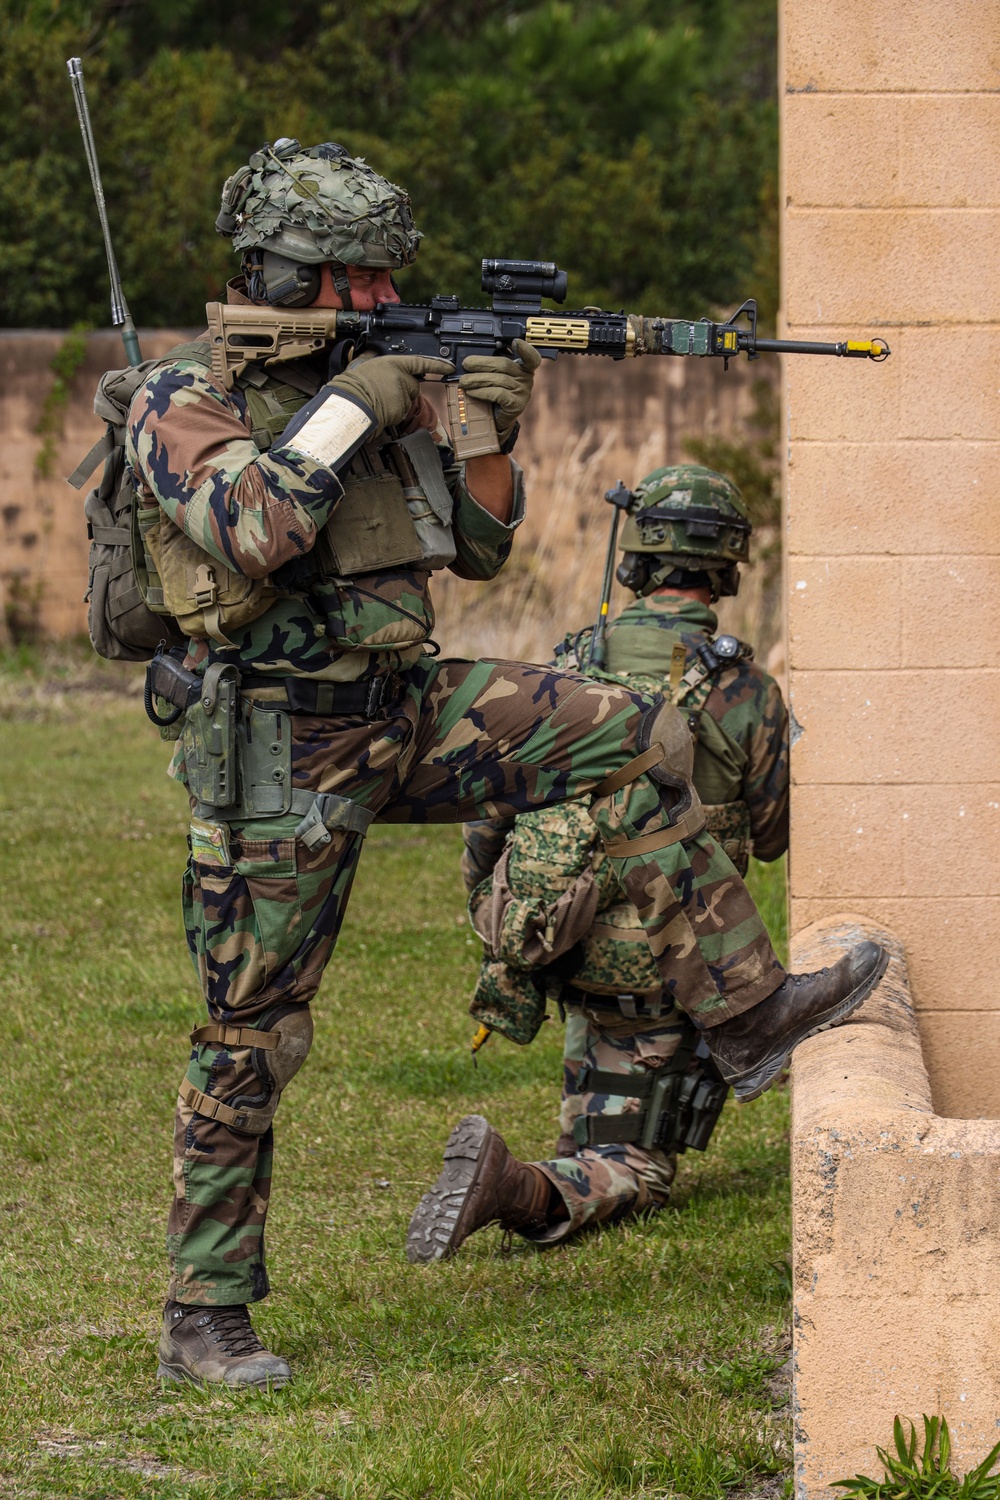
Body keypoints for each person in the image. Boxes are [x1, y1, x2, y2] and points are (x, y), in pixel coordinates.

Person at [125, 139, 886, 1388]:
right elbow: (251, 527)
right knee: (252, 1035)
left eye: (387, 285)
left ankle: (745, 1017)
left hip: (405, 702)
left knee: (637, 732)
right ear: (288, 272)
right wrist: (364, 399)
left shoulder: (367, 384)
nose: (380, 304)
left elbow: (477, 547)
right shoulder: (181, 395)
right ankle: (203, 1318)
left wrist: (481, 425)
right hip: (277, 742)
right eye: (359, 283)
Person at [408, 464, 791, 1259]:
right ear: (725, 567)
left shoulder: (568, 668)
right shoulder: (749, 691)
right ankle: (512, 1185)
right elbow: (775, 831)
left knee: (606, 1102)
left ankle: (569, 1145)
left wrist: (503, 911)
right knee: (636, 1164)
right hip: (677, 959)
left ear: (637, 558)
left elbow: (493, 813)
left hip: (567, 936)